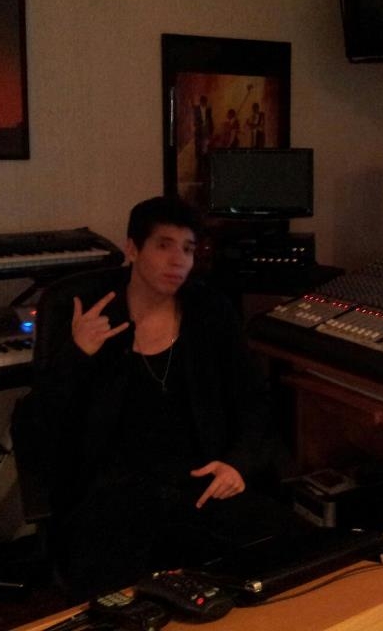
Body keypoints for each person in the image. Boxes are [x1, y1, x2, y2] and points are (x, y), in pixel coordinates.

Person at [30, 196, 303, 600]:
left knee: (292, 559)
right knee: (125, 597)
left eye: (188, 249)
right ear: (132, 249)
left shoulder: (210, 312)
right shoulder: (94, 316)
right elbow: (46, 421)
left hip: (199, 483)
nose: (178, 260)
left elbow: (253, 399)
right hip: (115, 494)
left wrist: (238, 463)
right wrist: (77, 354)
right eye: (164, 245)